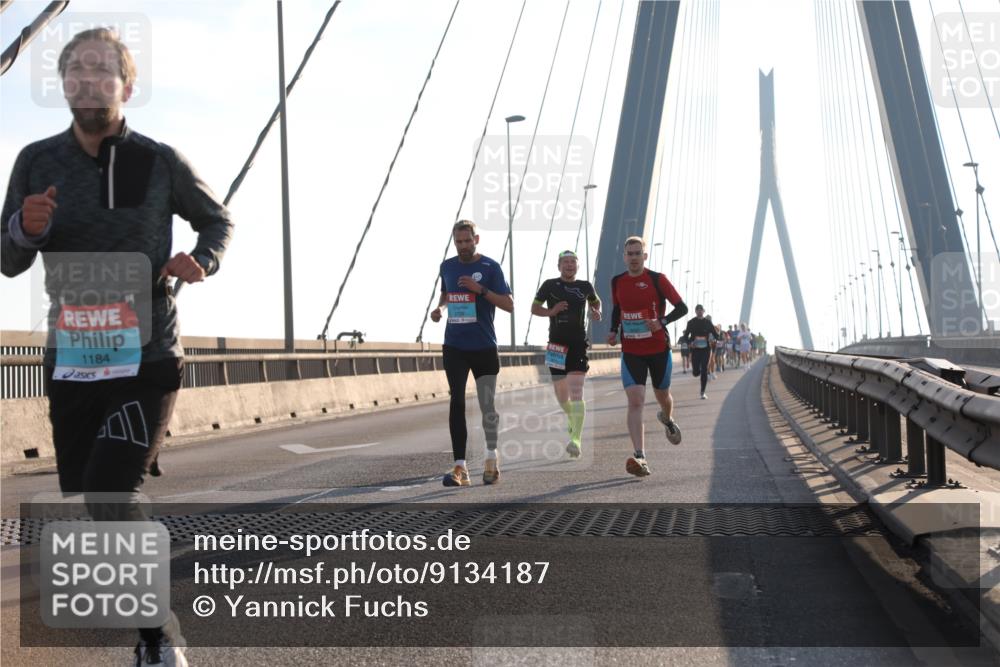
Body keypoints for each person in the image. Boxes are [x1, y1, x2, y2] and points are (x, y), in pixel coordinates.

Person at [1, 28, 234, 667]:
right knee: (95, 503)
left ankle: (159, 642)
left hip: (147, 356)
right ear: (63, 84)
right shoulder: (35, 161)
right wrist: (25, 228)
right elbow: (8, 259)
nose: (88, 78)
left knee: (109, 491)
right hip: (73, 360)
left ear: (126, 86)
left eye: (102, 68)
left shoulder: (158, 161)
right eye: (75, 68)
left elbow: (217, 219)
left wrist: (202, 259)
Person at [430, 220, 513, 486]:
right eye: (459, 242)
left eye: (467, 241)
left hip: (484, 346)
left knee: (487, 404)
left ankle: (491, 457)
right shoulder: (447, 266)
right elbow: (446, 294)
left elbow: (509, 304)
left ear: (476, 239)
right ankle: (460, 467)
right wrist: (440, 309)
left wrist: (481, 290)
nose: (463, 246)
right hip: (454, 345)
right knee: (456, 401)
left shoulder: (490, 267)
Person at [606, 236, 688, 477]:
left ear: (645, 255)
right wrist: (613, 330)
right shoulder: (617, 281)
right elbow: (617, 309)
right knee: (636, 401)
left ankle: (667, 418)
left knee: (663, 395)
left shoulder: (657, 279)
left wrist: (661, 321)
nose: (633, 258)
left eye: (637, 253)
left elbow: (682, 308)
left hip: (658, 349)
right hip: (632, 351)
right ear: (624, 257)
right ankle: (640, 456)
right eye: (629, 254)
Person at [530, 250, 601, 458]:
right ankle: (573, 419)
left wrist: (597, 311)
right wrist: (551, 312)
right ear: (559, 266)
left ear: (578, 265)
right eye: (565, 262)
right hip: (556, 346)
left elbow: (595, 301)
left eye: (572, 262)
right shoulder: (549, 285)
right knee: (562, 396)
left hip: (578, 344)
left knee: (576, 391)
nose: (569, 265)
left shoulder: (585, 286)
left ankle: (575, 440)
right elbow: (534, 308)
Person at [683, 305, 715, 399]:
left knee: (704, 369)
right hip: (695, 350)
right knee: (696, 372)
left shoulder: (708, 322)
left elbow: (715, 334)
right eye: (698, 310)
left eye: (701, 310)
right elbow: (686, 336)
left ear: (704, 311)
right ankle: (698, 371)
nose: (699, 311)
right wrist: (690, 343)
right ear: (695, 311)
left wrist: (714, 339)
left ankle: (702, 392)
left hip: (706, 349)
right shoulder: (691, 322)